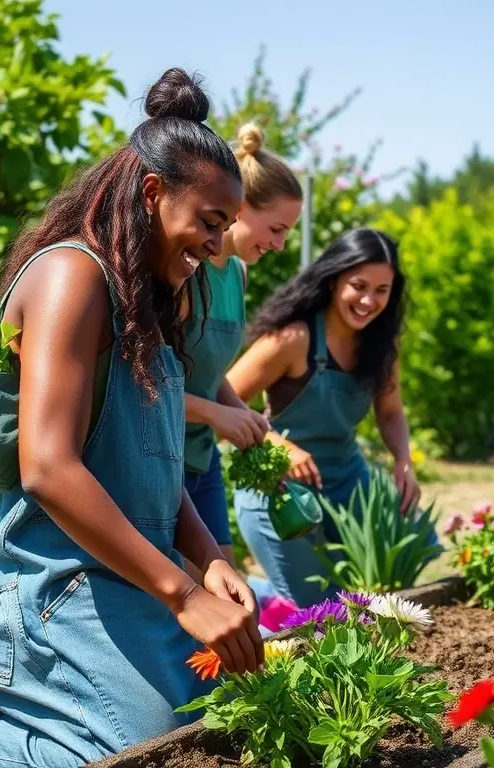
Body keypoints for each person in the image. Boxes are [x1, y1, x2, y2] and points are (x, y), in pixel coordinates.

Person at [0, 69, 264, 768]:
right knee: (148, 757)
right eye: (210, 225)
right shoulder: (73, 276)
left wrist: (209, 556)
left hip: (129, 575)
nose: (218, 248)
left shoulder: (148, 298)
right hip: (57, 584)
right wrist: (182, 591)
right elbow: (48, 467)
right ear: (153, 194)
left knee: (219, 731)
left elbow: (150, 457)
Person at [226, 228, 422, 607]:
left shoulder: (381, 345)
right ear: (333, 280)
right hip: (281, 492)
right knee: (319, 610)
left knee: (393, 574)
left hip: (346, 481)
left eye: (382, 291)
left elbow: (391, 411)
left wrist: (404, 460)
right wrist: (278, 444)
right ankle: (243, 593)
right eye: (359, 286)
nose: (369, 300)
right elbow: (225, 399)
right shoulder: (293, 338)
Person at [182, 121, 302, 568]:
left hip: (202, 453)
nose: (280, 243)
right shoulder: (185, 270)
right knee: (192, 597)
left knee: (228, 586)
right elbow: (147, 388)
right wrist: (218, 414)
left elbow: (208, 376)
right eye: (275, 228)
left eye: (288, 232)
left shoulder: (237, 274)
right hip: (161, 457)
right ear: (239, 207)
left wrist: (245, 415)